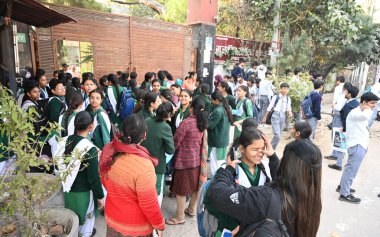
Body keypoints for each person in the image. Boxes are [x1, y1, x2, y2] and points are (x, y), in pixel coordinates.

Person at [208, 139, 322, 237]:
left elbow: (217, 194)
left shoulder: (265, 197)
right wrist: (273, 158)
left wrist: (227, 170)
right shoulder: (313, 200)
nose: (260, 153)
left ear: (288, 165)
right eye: (255, 149)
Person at [205, 129, 280, 236]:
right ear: (242, 148)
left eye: (262, 149)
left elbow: (281, 185)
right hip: (232, 230)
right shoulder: (229, 170)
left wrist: (272, 156)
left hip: (255, 228)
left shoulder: (265, 170)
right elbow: (210, 199)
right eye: (255, 149)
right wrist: (232, 225)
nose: (260, 153)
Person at [100, 114, 165, 236]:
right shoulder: (144, 166)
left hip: (113, 217)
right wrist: (159, 224)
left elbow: (104, 180)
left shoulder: (108, 150)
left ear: (122, 131)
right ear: (144, 136)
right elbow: (149, 204)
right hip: (135, 226)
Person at [55, 111, 104, 237]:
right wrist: (100, 196)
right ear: (91, 126)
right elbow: (94, 178)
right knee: (85, 222)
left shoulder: (63, 141)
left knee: (71, 219)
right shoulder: (90, 149)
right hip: (84, 192)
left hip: (67, 189)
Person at [166, 96, 209, 225]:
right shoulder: (203, 123)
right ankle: (191, 209)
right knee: (196, 188)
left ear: (191, 108)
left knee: (181, 191)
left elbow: (176, 141)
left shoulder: (187, 123)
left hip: (184, 162)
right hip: (198, 162)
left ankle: (179, 217)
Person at [337, 92, 379, 204]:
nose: (374, 106)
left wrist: (368, 107)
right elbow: (368, 115)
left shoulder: (360, 111)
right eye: (372, 103)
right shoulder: (356, 113)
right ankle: (344, 194)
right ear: (364, 102)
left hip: (360, 143)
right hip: (357, 144)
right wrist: (370, 108)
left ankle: (342, 187)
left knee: (350, 169)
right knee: (351, 170)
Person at [141, 102, 175, 206]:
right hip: (157, 164)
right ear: (168, 114)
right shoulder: (165, 127)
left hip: (142, 160)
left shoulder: (146, 121)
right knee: (157, 192)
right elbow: (170, 150)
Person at [208, 91, 234, 176]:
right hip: (223, 139)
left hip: (217, 140)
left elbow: (210, 125)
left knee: (216, 162)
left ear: (216, 100)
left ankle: (216, 179)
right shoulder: (227, 107)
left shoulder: (218, 111)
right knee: (221, 161)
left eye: (212, 100)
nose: (211, 102)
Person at [262, 83, 292, 150]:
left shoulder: (288, 98)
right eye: (284, 88)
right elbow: (269, 108)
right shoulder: (276, 97)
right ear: (280, 89)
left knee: (279, 135)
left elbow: (288, 108)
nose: (286, 90)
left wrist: (290, 112)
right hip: (275, 115)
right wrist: (264, 117)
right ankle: (271, 149)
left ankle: (272, 149)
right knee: (277, 135)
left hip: (283, 116)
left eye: (287, 89)